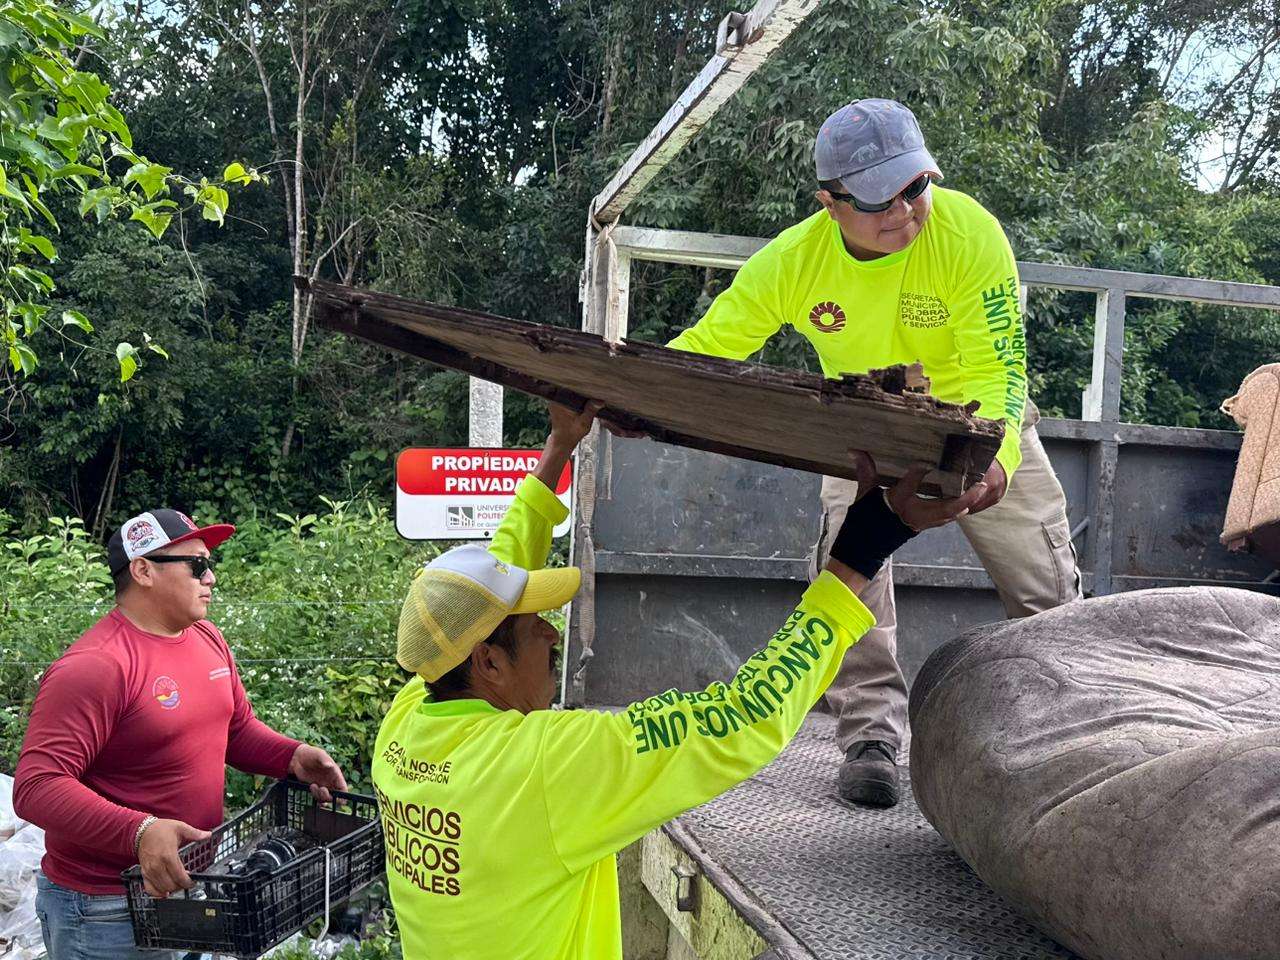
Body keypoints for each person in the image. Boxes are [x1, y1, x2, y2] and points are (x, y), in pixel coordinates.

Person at [373, 399, 983, 960]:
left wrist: (559, 447)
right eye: (538, 626)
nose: (554, 637)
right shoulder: (545, 767)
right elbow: (745, 716)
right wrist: (858, 554)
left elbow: (490, 584)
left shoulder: (407, 721)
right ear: (488, 663)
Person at [667, 97, 1082, 807]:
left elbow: (1000, 368)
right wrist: (630, 400)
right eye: (877, 198)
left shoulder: (970, 233)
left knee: (1049, 589)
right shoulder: (791, 263)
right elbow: (706, 351)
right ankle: (870, 737)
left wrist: (999, 461)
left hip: (978, 421)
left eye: (915, 187)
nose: (903, 210)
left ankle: (1080, 727)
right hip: (864, 429)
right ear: (830, 203)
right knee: (848, 573)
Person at [13, 508, 348, 960]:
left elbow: (235, 729)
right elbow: (36, 787)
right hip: (106, 911)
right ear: (143, 571)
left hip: (193, 888)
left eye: (209, 564)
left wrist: (291, 756)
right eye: (196, 564)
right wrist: (139, 831)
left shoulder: (206, 638)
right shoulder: (96, 666)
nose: (210, 577)